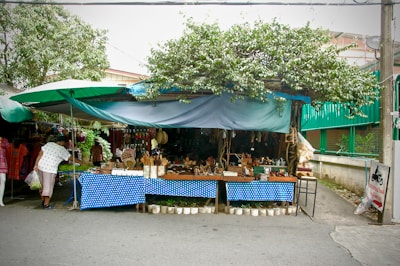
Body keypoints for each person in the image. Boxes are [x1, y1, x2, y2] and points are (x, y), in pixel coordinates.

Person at [34, 135, 82, 209]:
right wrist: (82, 162)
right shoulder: (61, 149)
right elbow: (71, 158)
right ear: (62, 142)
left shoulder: (48, 144)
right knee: (48, 186)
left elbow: (40, 154)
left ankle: (43, 201)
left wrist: (36, 165)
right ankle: (46, 204)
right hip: (49, 169)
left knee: (42, 185)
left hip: (40, 166)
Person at [0, 136, 10, 207]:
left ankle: (0, 199)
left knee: (3, 180)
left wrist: (1, 142)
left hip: (2, 163)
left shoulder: (4, 140)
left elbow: (8, 147)